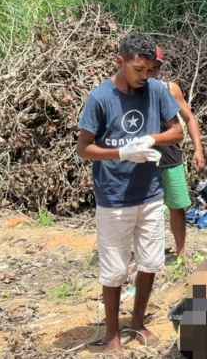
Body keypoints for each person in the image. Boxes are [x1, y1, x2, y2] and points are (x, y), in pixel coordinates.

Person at [76, 32, 184, 354]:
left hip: (149, 194)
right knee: (114, 268)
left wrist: (151, 140)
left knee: (150, 262)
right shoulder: (100, 98)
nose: (144, 77)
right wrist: (121, 152)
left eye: (149, 70)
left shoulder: (155, 91)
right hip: (114, 196)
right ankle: (112, 333)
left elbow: (177, 129)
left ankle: (137, 322)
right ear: (120, 62)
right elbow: (84, 148)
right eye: (138, 69)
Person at [148, 46, 206, 260]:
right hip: (140, 158)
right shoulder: (128, 88)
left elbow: (189, 118)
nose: (150, 70)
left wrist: (198, 149)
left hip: (169, 156)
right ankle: (145, 254)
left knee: (176, 205)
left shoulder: (169, 88)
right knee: (142, 209)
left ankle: (181, 251)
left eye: (155, 66)